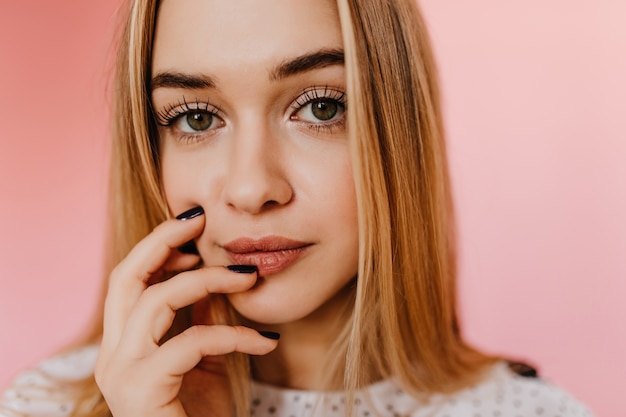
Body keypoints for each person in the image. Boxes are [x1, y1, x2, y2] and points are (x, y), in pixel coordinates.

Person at [0, 0, 594, 416]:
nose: (252, 187)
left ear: (396, 127)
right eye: (196, 117)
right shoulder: (41, 405)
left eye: (319, 108)